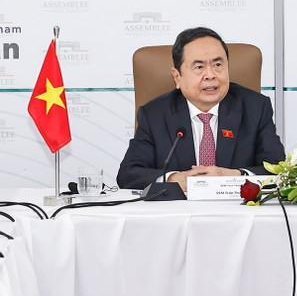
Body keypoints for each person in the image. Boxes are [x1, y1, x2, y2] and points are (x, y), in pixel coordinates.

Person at [118, 27, 286, 191]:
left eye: (218, 65)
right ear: (177, 77)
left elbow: (279, 170)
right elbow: (128, 174)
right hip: (178, 214)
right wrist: (173, 178)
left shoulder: (255, 108)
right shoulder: (154, 114)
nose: (210, 75)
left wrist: (235, 176)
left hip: (236, 211)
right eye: (199, 67)